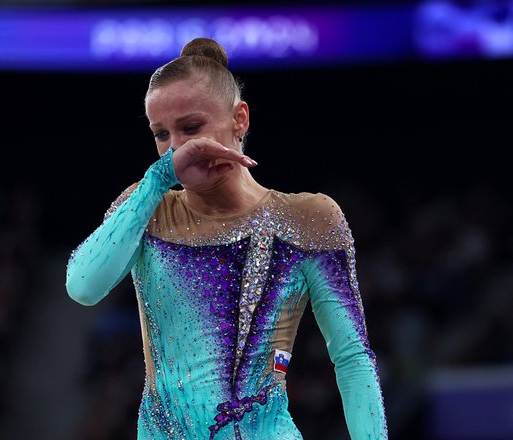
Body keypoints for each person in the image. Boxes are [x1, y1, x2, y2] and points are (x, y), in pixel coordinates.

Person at [65, 37, 388, 440]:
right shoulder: (148, 207)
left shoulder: (309, 218)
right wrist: (157, 180)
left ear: (240, 119)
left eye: (191, 127)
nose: (178, 148)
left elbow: (352, 357)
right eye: (161, 134)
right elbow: (83, 286)